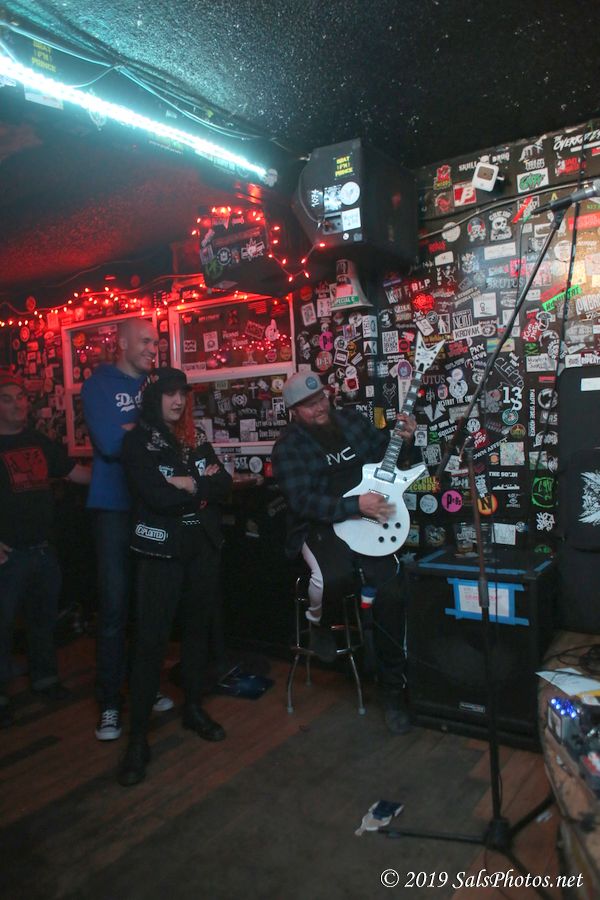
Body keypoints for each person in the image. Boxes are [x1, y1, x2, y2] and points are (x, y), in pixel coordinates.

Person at [272, 371, 417, 735]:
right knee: (333, 577)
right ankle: (318, 623)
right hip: (320, 526)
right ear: (293, 411)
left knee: (391, 592)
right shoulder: (288, 446)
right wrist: (353, 505)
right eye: (308, 405)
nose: (319, 408)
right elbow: (302, 501)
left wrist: (404, 440)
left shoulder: (351, 421)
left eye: (320, 398)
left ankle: (392, 689)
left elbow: (387, 458)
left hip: (367, 520)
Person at [117, 367, 232, 786]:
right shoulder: (137, 441)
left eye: (182, 394)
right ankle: (137, 738)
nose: (178, 401)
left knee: (197, 633)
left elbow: (224, 485)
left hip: (202, 547)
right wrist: (197, 487)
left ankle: (193, 708)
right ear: (154, 398)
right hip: (160, 551)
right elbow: (156, 497)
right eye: (169, 394)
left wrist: (188, 484)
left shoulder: (194, 437)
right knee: (150, 642)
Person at [81, 316, 173, 742]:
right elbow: (110, 442)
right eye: (145, 341)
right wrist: (147, 431)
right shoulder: (99, 384)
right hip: (114, 509)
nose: (153, 348)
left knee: (146, 606)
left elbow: (170, 436)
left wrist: (139, 431)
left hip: (150, 507)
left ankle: (145, 688)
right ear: (121, 343)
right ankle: (109, 704)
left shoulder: (154, 383)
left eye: (155, 342)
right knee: (115, 608)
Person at [0, 370, 90, 728]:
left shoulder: (38, 440)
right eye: (7, 399)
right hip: (8, 554)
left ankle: (45, 680)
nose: (17, 404)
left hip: (42, 548)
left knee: (42, 620)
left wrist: (121, 473)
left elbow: (74, 473)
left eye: (21, 397)